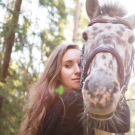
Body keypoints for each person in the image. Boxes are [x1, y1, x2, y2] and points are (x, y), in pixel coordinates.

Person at [18, 43, 130, 135]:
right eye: (68, 65)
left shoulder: (50, 101)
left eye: (81, 64)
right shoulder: (73, 101)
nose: (78, 70)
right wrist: (114, 76)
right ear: (56, 72)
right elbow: (124, 123)